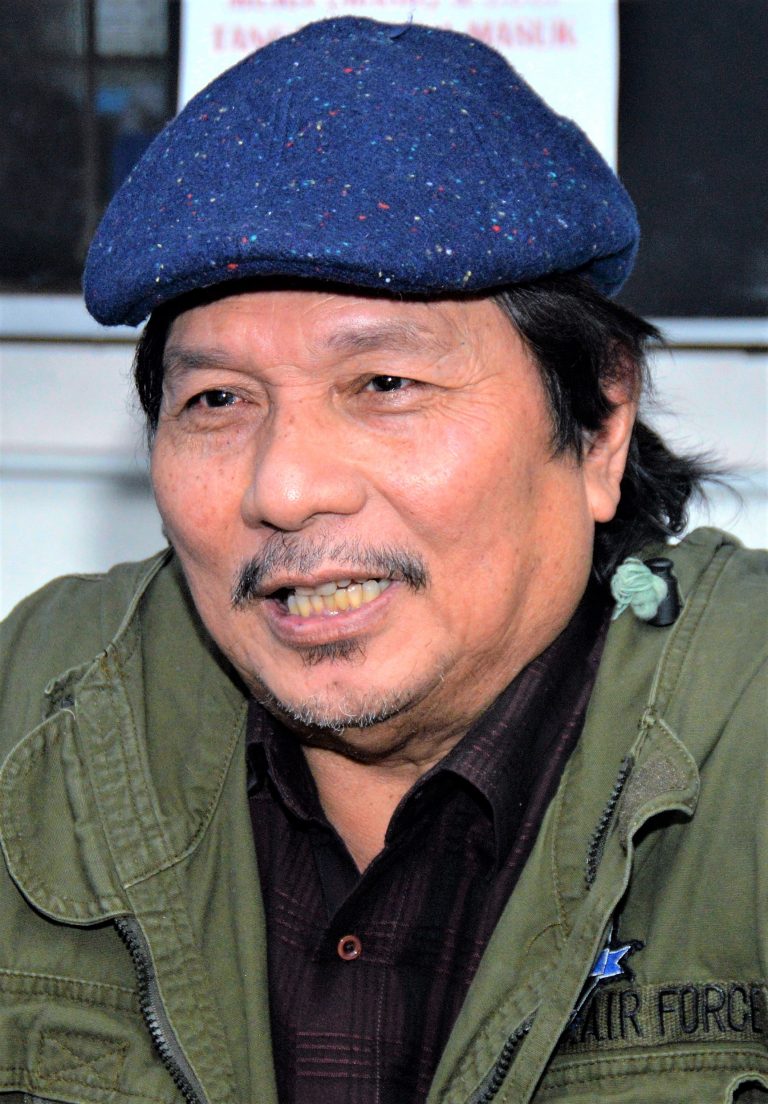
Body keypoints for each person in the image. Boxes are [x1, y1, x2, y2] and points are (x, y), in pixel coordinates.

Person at [0, 16, 765, 1104]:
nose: (283, 487)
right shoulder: (36, 705)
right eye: (216, 401)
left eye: (385, 386)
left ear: (598, 425)